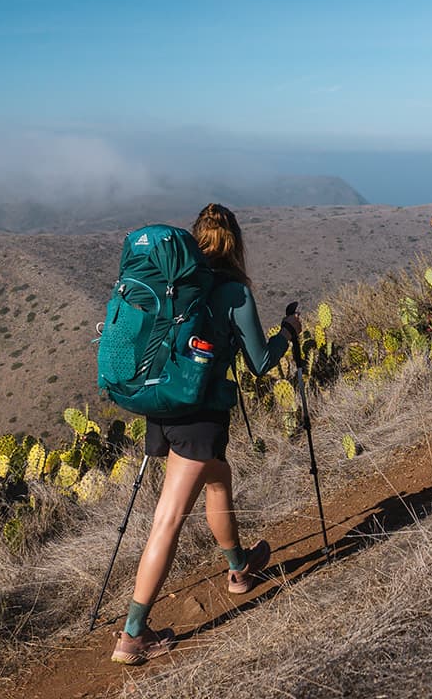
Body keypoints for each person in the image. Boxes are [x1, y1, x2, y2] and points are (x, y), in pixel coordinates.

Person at [112, 203, 304, 665]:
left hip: (164, 404)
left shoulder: (179, 286)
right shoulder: (233, 292)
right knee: (170, 517)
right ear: (235, 243)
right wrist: (288, 331)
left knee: (219, 478)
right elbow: (260, 363)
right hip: (198, 416)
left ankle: (239, 568)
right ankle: (133, 634)